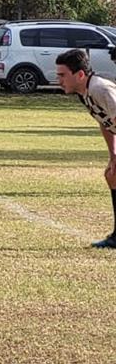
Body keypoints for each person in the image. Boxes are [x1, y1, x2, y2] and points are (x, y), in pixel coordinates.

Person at [55, 48, 116, 249]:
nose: (59, 80)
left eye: (63, 75)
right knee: (112, 176)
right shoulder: (85, 92)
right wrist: (113, 154)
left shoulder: (100, 89)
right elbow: (104, 122)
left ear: (80, 74)